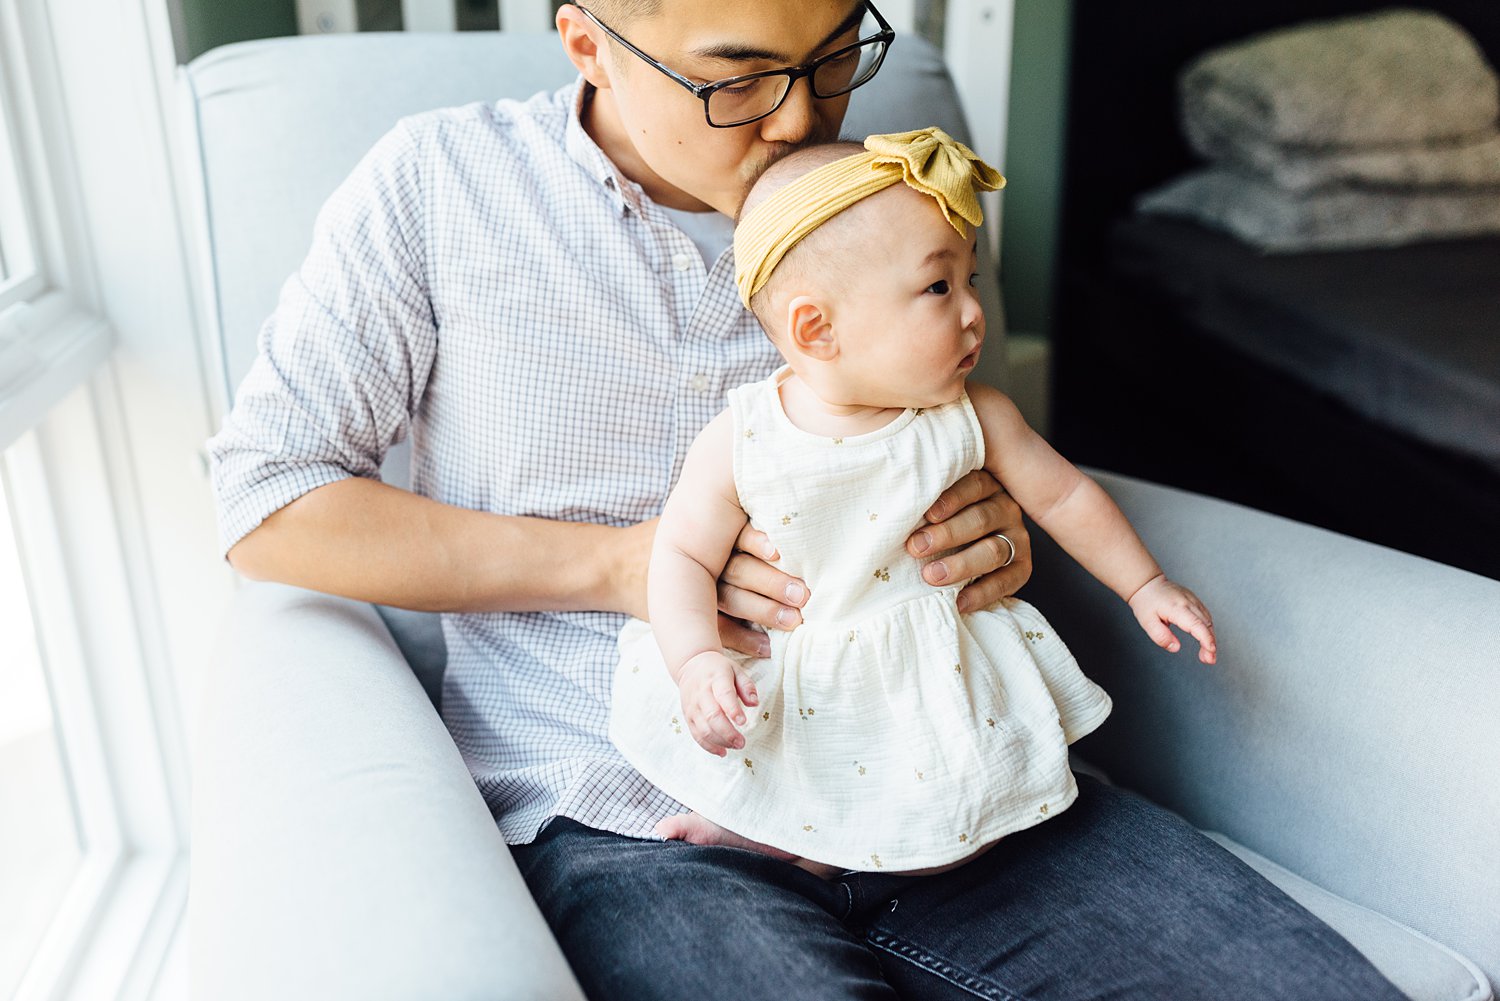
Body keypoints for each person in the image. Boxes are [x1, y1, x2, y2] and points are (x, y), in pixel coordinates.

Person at [207, 0, 1408, 997]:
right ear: (588, 48)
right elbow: (267, 502)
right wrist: (631, 569)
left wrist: (993, 525)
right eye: (740, 79)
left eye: (836, 56)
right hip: (635, 816)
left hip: (961, 778)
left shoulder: (873, 181)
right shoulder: (438, 184)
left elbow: (959, 429)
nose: (803, 115)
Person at [609, 130, 1216, 878]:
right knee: (771, 756)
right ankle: (769, 834)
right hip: (806, 662)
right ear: (816, 328)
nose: (972, 314)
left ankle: (875, 851)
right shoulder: (745, 434)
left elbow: (1064, 493)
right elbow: (681, 554)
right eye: (939, 288)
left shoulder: (973, 414)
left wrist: (1144, 583)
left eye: (969, 280)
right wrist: (696, 656)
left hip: (928, 665)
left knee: (972, 824)